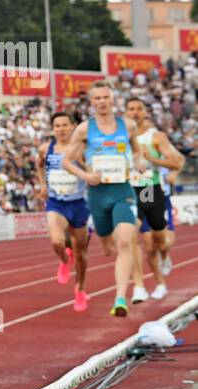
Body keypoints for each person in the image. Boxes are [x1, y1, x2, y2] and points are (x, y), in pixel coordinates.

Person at [60, 82, 148, 316]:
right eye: (97, 98)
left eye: (105, 97)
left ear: (112, 99)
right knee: (108, 245)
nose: (102, 101)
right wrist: (86, 175)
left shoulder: (127, 126)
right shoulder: (83, 129)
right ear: (92, 102)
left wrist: (138, 163)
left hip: (123, 191)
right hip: (98, 194)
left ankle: (120, 298)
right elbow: (66, 161)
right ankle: (106, 241)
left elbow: (137, 150)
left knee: (124, 242)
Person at [124, 95, 183, 301]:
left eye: (138, 109)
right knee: (132, 233)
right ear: (125, 113)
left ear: (145, 112)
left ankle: (165, 255)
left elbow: (175, 163)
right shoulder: (120, 136)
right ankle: (143, 285)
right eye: (130, 109)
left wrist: (152, 159)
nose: (135, 113)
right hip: (128, 189)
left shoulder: (155, 136)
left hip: (149, 186)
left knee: (158, 242)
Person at [35, 111, 90, 311]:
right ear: (53, 129)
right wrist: (43, 186)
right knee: (56, 242)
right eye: (57, 126)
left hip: (78, 204)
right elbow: (39, 167)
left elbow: (90, 169)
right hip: (56, 203)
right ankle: (64, 260)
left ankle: (81, 289)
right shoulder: (45, 149)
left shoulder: (81, 149)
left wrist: (86, 168)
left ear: (73, 127)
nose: (61, 129)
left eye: (65, 125)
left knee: (82, 254)